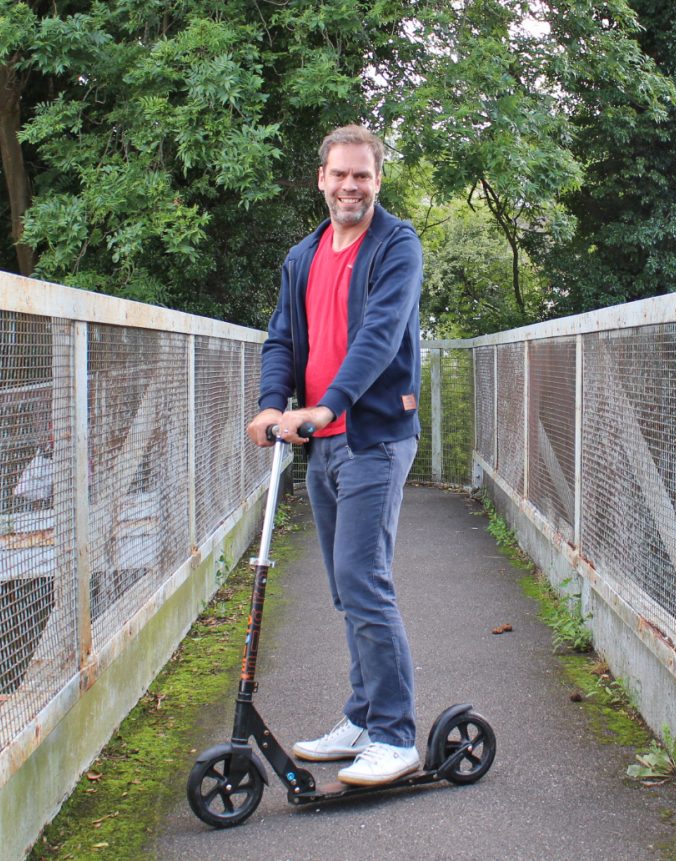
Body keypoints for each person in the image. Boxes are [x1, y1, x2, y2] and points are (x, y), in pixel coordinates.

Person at [246, 124, 423, 786]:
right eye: (340, 174)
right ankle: (363, 713)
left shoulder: (397, 247)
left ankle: (395, 733)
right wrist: (273, 404)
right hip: (320, 441)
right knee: (346, 586)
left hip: (374, 435)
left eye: (364, 175)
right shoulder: (305, 254)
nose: (351, 186)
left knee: (362, 577)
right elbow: (282, 338)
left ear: (379, 179)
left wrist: (327, 404)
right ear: (321, 177)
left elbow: (378, 339)